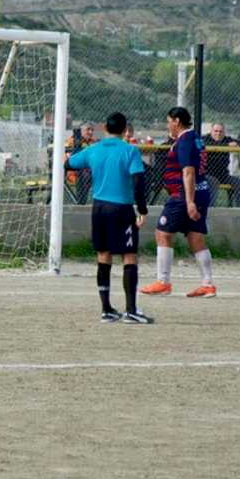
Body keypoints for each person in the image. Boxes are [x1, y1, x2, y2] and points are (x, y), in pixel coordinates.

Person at [65, 112, 153, 324]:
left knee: (103, 255)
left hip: (99, 208)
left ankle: (106, 309)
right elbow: (139, 182)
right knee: (129, 255)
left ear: (105, 128)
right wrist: (142, 209)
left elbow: (68, 164)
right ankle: (131, 310)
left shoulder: (93, 150)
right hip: (121, 208)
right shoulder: (130, 150)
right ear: (125, 131)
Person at [141, 107, 217, 298]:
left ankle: (163, 282)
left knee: (163, 233)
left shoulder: (184, 141)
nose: (168, 125)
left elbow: (188, 171)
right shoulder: (197, 139)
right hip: (201, 192)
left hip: (183, 196)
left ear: (176, 121)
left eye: (169, 121)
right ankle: (207, 284)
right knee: (195, 236)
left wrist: (189, 201)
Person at [202, 123, 240, 207]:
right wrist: (226, 145)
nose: (218, 133)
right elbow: (206, 144)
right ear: (211, 131)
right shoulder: (204, 139)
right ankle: (209, 210)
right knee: (213, 182)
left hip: (223, 175)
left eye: (221, 131)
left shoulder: (227, 139)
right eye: (216, 131)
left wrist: (237, 144)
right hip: (207, 174)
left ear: (224, 132)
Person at [65, 122, 98, 204]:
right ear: (81, 131)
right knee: (85, 174)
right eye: (88, 130)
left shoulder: (94, 143)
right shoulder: (72, 141)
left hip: (91, 171)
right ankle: (81, 202)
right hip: (74, 172)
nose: (91, 132)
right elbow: (68, 160)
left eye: (92, 130)